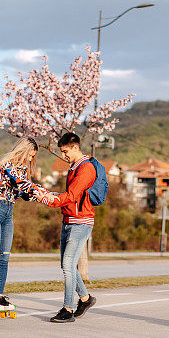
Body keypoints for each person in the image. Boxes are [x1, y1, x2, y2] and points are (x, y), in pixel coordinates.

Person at [37, 132, 98, 323]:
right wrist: (48, 194)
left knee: (67, 265)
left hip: (81, 222)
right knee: (67, 264)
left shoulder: (85, 168)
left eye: (65, 152)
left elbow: (71, 196)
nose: (63, 156)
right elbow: (69, 196)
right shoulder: (74, 167)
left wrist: (51, 200)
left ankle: (67, 309)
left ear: (75, 147)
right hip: (69, 220)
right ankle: (86, 299)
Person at [0, 137, 45, 313]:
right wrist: (38, 190)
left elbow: (23, 193)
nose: (31, 159)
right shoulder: (7, 164)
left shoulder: (22, 170)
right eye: (31, 155)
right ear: (24, 150)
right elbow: (20, 183)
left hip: (8, 212)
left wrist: (46, 196)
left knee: (5, 257)